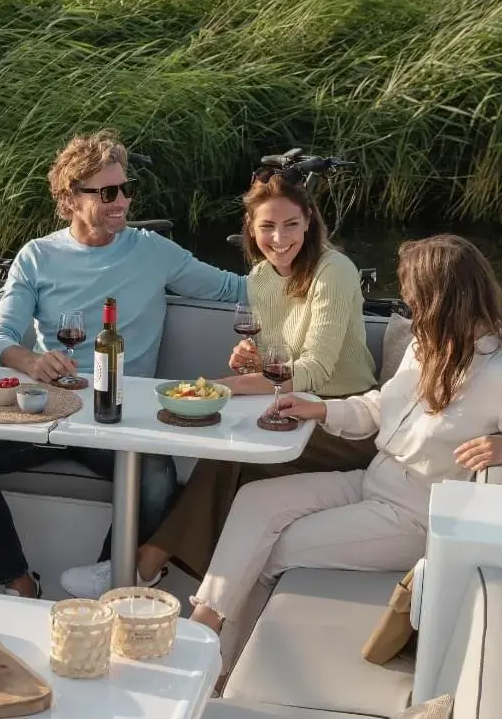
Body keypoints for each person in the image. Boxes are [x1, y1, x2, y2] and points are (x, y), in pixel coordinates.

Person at [187, 233, 502, 644]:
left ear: (441, 299)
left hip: (415, 517)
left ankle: (221, 658)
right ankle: (201, 627)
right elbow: (380, 406)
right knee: (255, 500)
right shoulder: (427, 346)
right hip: (373, 481)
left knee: (280, 547)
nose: (410, 309)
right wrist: (319, 409)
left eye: (414, 300)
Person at [0, 130, 248, 599]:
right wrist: (31, 360)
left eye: (125, 189)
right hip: (48, 411)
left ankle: (106, 583)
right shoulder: (37, 256)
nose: (121, 201)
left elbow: (232, 289)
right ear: (70, 199)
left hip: (119, 418)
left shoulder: (153, 251)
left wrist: (308, 273)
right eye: (107, 193)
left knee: (156, 478)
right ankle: (18, 581)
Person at [62, 169, 379, 598]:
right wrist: (253, 360)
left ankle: (143, 565)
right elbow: (281, 362)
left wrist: (228, 386)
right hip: (289, 409)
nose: (279, 238)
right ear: (251, 227)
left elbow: (316, 369)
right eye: (267, 226)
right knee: (225, 449)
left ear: (309, 220)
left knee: (228, 455)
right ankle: (154, 571)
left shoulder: (334, 271)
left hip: (346, 418)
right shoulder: (261, 278)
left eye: (290, 224)